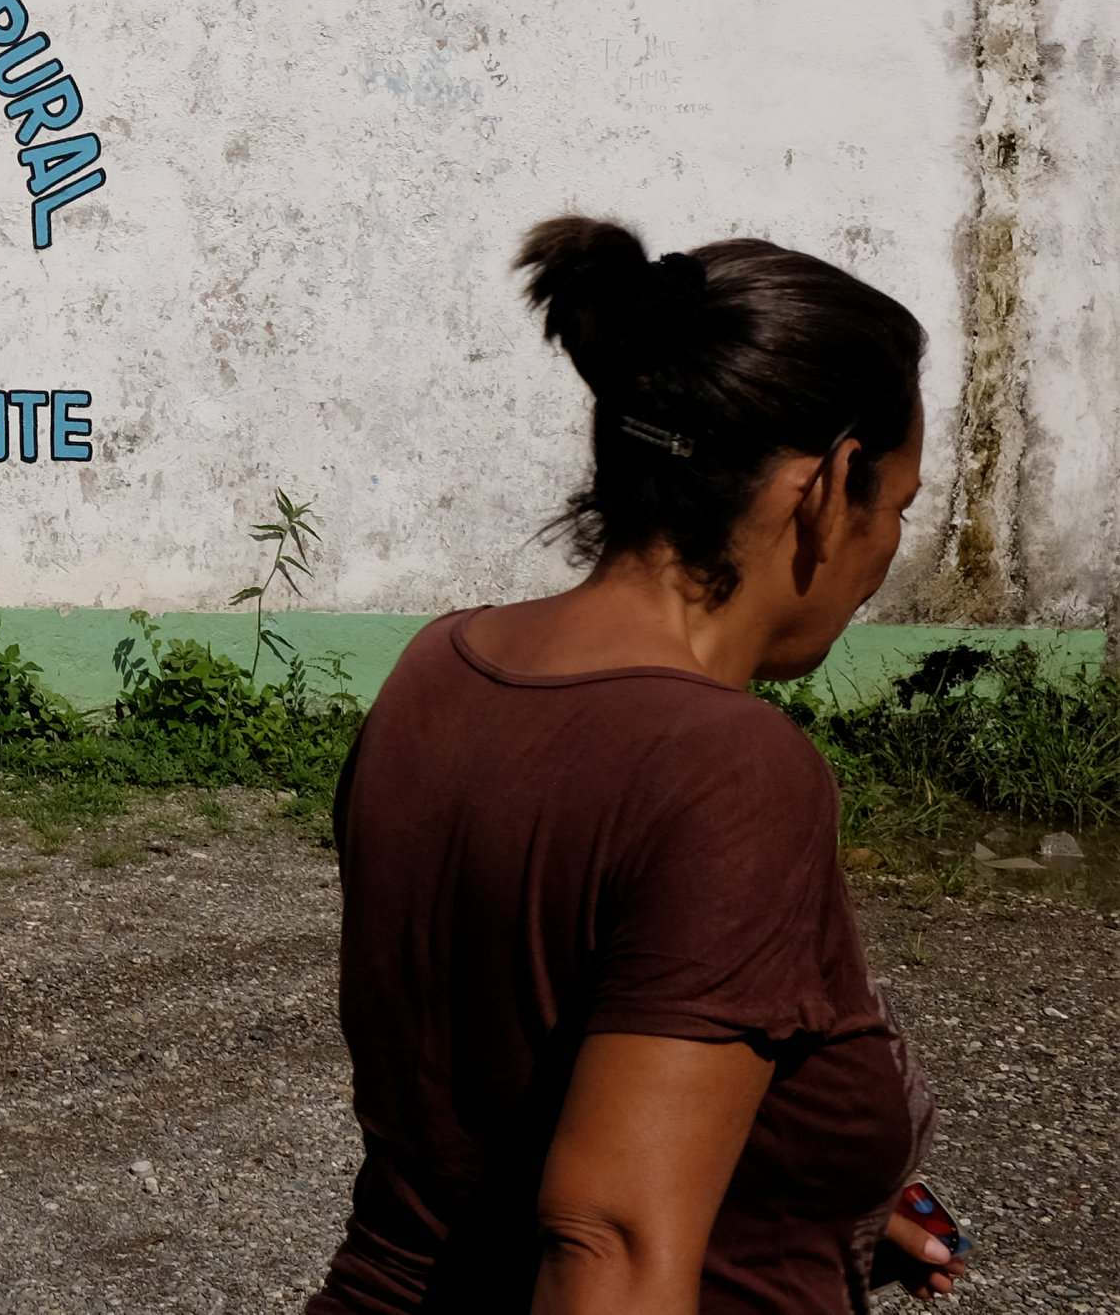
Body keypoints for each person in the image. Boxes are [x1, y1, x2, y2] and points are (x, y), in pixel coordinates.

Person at [309, 216, 959, 1315]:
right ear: (827, 481)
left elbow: (526, 1059)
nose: (884, 554)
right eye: (893, 505)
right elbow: (605, 1241)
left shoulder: (441, 669)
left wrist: (801, 1192)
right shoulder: (728, 768)